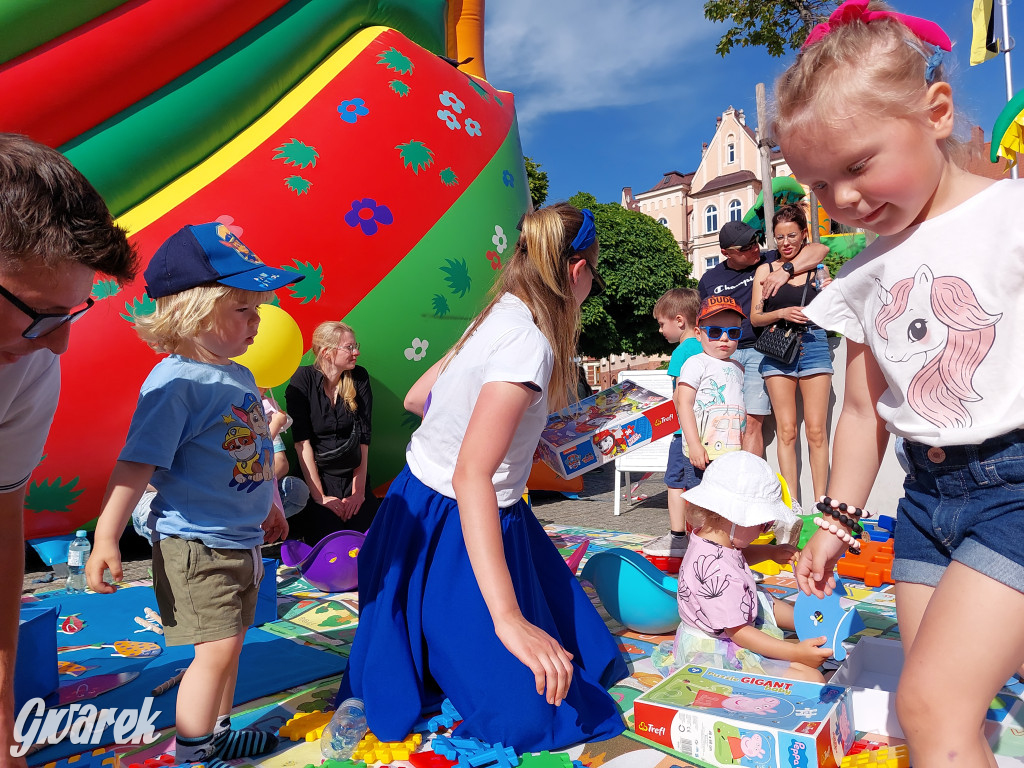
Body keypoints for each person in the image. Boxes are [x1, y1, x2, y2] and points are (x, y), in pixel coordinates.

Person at [774, 2, 1024, 763]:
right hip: (927, 506)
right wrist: (837, 520)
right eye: (819, 185)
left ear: (936, 112)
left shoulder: (1009, 216)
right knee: (936, 709)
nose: (842, 199)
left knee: (931, 704)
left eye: (857, 165)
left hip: (1014, 487)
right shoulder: (859, 275)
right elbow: (860, 412)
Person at [335, 203, 627, 751]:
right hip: (458, 520)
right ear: (575, 272)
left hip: (413, 503)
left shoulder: (494, 316)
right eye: (595, 272)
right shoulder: (528, 342)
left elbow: (423, 398)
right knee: (541, 714)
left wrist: (509, 431)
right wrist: (508, 617)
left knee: (580, 651)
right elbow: (472, 473)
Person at [85, 223, 295, 766]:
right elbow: (137, 463)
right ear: (195, 314)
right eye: (244, 310)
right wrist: (106, 535)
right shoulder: (175, 383)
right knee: (215, 649)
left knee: (232, 644)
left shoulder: (242, 376)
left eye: (257, 309)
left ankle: (217, 735)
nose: (258, 323)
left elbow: (246, 450)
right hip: (196, 543)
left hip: (241, 538)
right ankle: (196, 751)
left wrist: (270, 504)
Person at [0, 133, 138, 765]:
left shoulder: (26, 366)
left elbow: (4, 526)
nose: (56, 346)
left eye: (68, 315)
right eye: (37, 314)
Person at [671, 451, 830, 682]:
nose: (765, 531)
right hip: (718, 650)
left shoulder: (713, 538)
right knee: (813, 679)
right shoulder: (717, 571)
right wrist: (795, 653)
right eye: (763, 524)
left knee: (767, 601)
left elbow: (737, 556)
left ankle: (812, 623)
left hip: (732, 619)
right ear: (735, 517)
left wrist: (771, 552)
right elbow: (740, 634)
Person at [698, 220, 828, 457]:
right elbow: (700, 321)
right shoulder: (709, 279)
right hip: (725, 355)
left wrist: (785, 271)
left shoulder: (770, 260)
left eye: (755, 241)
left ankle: (750, 487)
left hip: (762, 350)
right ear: (726, 253)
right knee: (722, 420)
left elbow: (820, 250)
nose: (754, 248)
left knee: (752, 422)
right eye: (746, 247)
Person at [749, 204, 834, 515]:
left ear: (802, 236)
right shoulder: (764, 270)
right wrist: (782, 312)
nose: (785, 243)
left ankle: (823, 503)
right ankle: (792, 504)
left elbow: (822, 252)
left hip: (813, 342)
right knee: (787, 430)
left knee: (816, 430)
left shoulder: (817, 267)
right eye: (779, 237)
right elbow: (755, 318)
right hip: (777, 348)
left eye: (791, 236)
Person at [284, 321, 376, 542]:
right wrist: (320, 498)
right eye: (349, 347)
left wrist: (358, 493)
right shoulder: (302, 380)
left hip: (352, 477)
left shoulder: (359, 378)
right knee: (328, 536)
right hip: (316, 478)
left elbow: (363, 439)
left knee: (363, 534)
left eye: (355, 346)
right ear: (326, 352)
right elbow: (302, 444)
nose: (357, 352)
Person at [642, 288, 703, 559]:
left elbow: (680, 395)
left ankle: (679, 537)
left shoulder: (682, 352)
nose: (659, 330)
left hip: (683, 435)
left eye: (661, 323)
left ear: (679, 321)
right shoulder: (704, 346)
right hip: (703, 432)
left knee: (676, 483)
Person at [677, 296, 748, 471]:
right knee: (700, 496)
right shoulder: (696, 363)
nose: (724, 338)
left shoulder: (739, 367)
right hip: (703, 452)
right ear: (698, 334)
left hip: (732, 452)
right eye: (715, 331)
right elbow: (684, 403)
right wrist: (694, 444)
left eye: (733, 332)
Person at [260, 389, 310, 519]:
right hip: (229, 492)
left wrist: (258, 485)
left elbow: (282, 464)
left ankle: (262, 528)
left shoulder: (265, 413)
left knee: (296, 489)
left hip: (261, 487)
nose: (265, 388)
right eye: (260, 383)